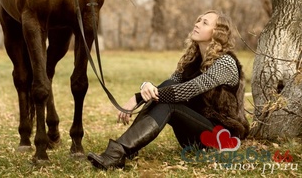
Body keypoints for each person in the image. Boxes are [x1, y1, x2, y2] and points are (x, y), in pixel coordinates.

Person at [87, 10, 249, 170]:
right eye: (198, 20)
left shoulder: (225, 62)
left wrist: (138, 98)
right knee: (167, 85)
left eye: (204, 22)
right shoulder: (192, 59)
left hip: (221, 136)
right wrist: (145, 87)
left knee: (169, 102)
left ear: (217, 33)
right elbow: (169, 87)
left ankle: (118, 153)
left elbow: (187, 90)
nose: (197, 24)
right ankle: (121, 152)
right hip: (194, 133)